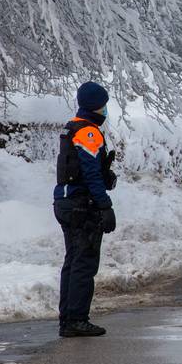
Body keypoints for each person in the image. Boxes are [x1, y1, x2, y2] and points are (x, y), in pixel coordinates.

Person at [53, 81, 118, 338]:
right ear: (95, 106)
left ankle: (67, 318)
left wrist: (105, 174)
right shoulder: (88, 132)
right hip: (81, 206)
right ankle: (77, 319)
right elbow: (90, 174)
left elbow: (84, 168)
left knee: (72, 261)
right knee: (84, 262)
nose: (105, 110)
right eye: (103, 105)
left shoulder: (72, 129)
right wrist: (105, 204)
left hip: (66, 202)